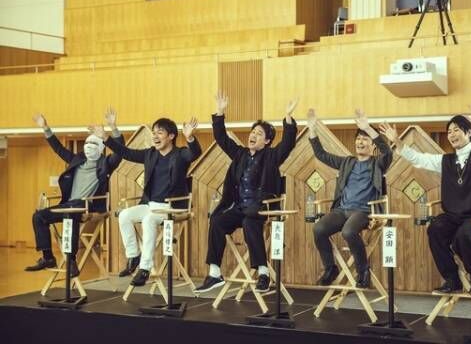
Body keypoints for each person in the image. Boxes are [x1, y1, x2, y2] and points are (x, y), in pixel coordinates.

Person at [379, 104, 471, 296]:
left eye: (456, 130)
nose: (452, 134)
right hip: (453, 215)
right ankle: (452, 279)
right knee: (435, 229)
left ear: (468, 133)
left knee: (463, 237)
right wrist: (397, 141)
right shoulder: (446, 161)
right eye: (449, 131)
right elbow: (418, 159)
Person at [195, 94, 298, 293]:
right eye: (252, 132)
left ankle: (263, 273)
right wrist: (220, 113)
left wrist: (288, 118)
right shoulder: (240, 154)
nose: (253, 135)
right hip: (240, 208)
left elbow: (287, 143)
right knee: (217, 221)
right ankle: (215, 273)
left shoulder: (272, 156)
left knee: (250, 221)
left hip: (261, 208)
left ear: (267, 141)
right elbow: (222, 139)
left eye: (259, 133)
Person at [90, 110, 201, 286]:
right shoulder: (150, 154)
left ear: (171, 136)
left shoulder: (180, 154)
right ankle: (134, 256)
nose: (155, 136)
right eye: (154, 132)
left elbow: (195, 153)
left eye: (160, 133)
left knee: (149, 220)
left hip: (171, 207)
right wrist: (106, 137)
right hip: (150, 205)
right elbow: (125, 152)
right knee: (125, 215)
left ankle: (145, 269)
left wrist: (190, 138)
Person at [26, 111, 124, 277]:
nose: (89, 146)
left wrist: (113, 128)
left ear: (101, 147)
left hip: (87, 206)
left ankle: (71, 260)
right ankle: (48, 257)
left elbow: (121, 151)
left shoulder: (106, 163)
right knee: (39, 216)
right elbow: (58, 149)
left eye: (93, 143)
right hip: (68, 205)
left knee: (71, 213)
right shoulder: (76, 160)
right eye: (87, 143)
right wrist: (45, 128)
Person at [308, 108, 392, 288]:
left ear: (373, 146)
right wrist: (312, 130)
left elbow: (388, 152)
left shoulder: (378, 163)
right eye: (358, 138)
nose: (360, 142)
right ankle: (330, 269)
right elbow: (321, 154)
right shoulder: (347, 162)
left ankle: (363, 271)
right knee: (318, 229)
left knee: (348, 231)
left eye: (365, 139)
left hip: (364, 211)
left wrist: (368, 128)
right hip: (342, 210)